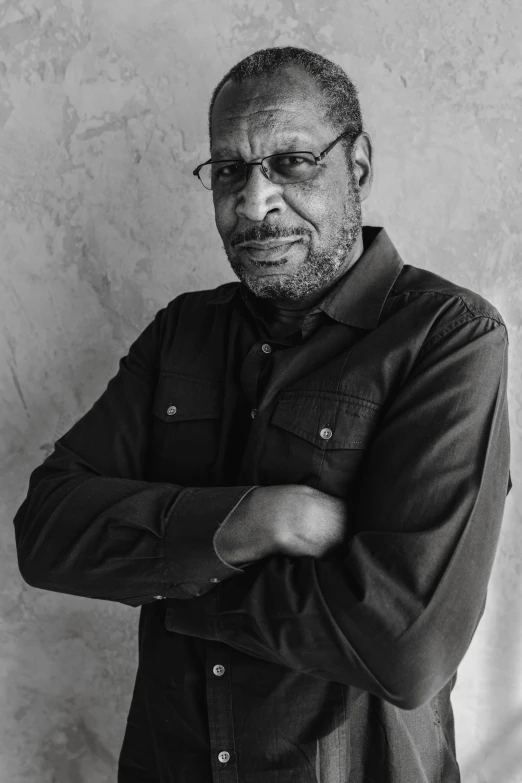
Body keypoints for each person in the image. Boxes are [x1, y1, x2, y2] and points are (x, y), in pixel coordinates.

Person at [13, 46, 511, 783]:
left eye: (291, 162)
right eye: (228, 170)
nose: (253, 201)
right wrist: (262, 518)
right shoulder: (181, 332)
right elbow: (46, 532)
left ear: (359, 168)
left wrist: (180, 575)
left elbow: (405, 646)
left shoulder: (448, 338)